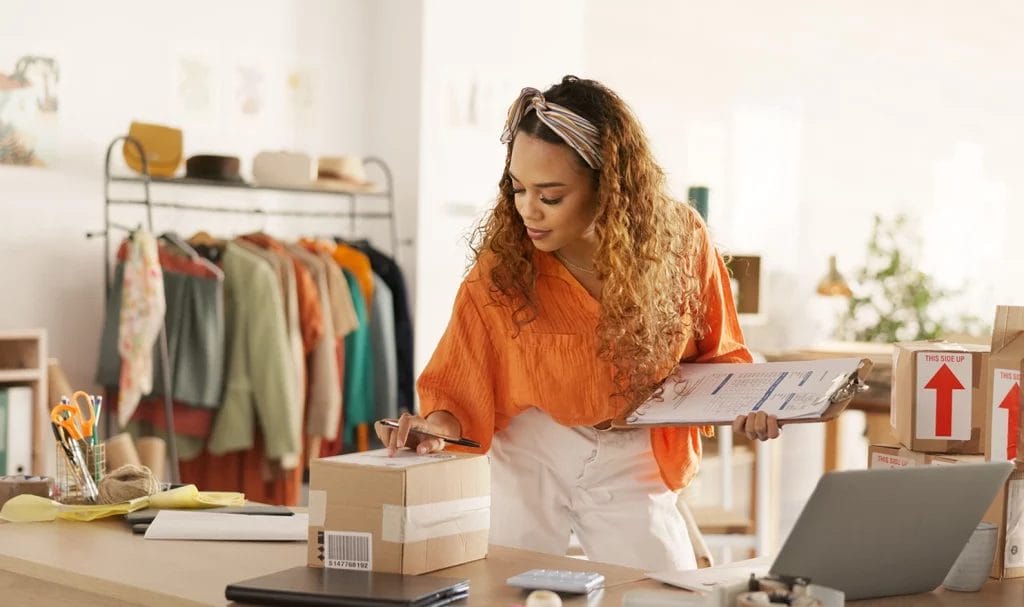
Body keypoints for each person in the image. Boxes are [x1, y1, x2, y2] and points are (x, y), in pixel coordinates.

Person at [375, 75, 780, 571]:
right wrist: (430, 429)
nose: (527, 210)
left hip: (632, 449)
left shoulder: (681, 242)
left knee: (663, 592)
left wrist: (751, 405)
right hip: (530, 450)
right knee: (508, 591)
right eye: (518, 188)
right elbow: (459, 388)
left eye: (550, 196)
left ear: (608, 185)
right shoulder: (504, 264)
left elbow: (719, 356)